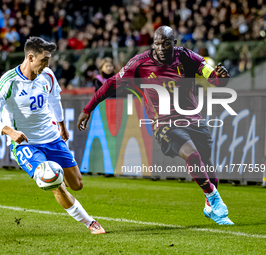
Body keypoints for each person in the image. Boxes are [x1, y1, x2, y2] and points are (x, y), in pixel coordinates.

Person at [77, 26, 234, 225]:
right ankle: (213, 198)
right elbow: (112, 83)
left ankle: (210, 206)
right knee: (192, 155)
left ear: (174, 43)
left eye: (165, 43)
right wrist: (88, 108)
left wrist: (222, 77)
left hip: (193, 119)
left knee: (208, 171)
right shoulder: (140, 63)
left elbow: (215, 80)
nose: (160, 47)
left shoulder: (187, 57)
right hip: (164, 123)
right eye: (157, 43)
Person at [0, 37, 105, 234]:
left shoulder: (47, 74)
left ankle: (58, 179)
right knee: (54, 180)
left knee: (77, 184)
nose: (47, 64)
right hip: (26, 144)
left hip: (52, 137)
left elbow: (55, 99)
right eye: (44, 60)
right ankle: (90, 223)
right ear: (30, 57)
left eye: (48, 60)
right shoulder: (9, 81)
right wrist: (10, 132)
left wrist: (62, 126)